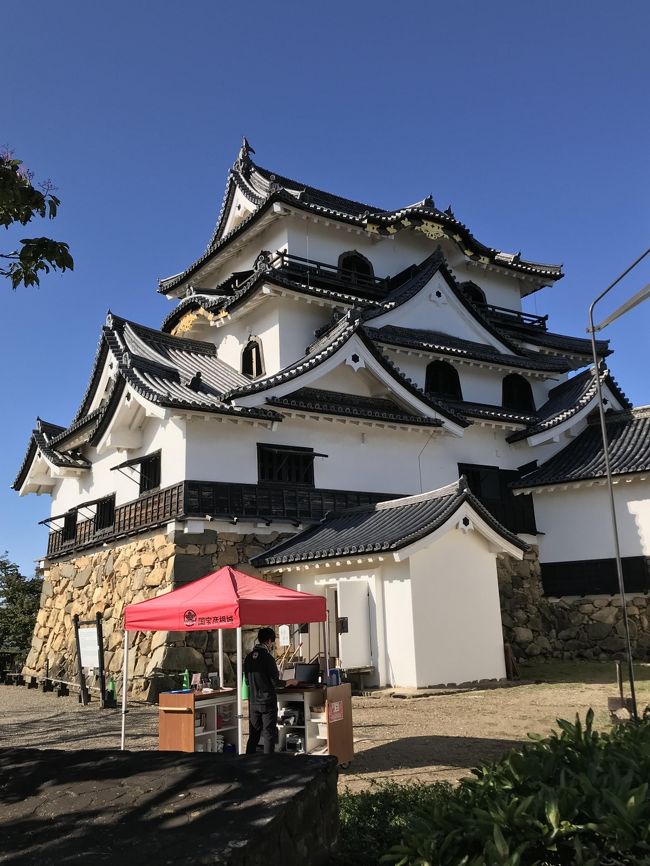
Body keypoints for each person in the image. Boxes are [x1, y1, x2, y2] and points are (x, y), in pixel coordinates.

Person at [244, 627, 297, 754]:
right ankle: (268, 764)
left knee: (254, 735)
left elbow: (246, 681)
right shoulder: (268, 659)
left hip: (253, 703)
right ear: (268, 641)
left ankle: (246, 762)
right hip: (267, 702)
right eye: (273, 642)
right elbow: (275, 683)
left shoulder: (248, 658)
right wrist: (289, 682)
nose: (273, 645)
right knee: (268, 734)